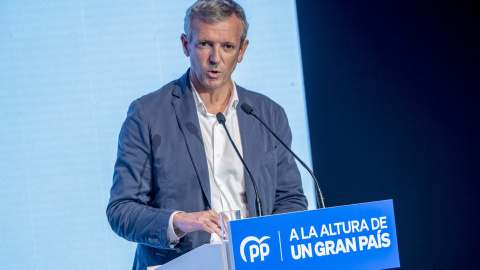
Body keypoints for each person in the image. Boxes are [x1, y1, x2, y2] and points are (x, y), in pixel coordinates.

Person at [106, 0, 308, 268]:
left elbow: (290, 199)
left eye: (227, 46)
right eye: (204, 44)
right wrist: (179, 221)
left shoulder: (267, 114)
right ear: (186, 44)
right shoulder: (148, 114)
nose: (216, 58)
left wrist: (269, 245)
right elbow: (122, 210)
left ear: (242, 50)